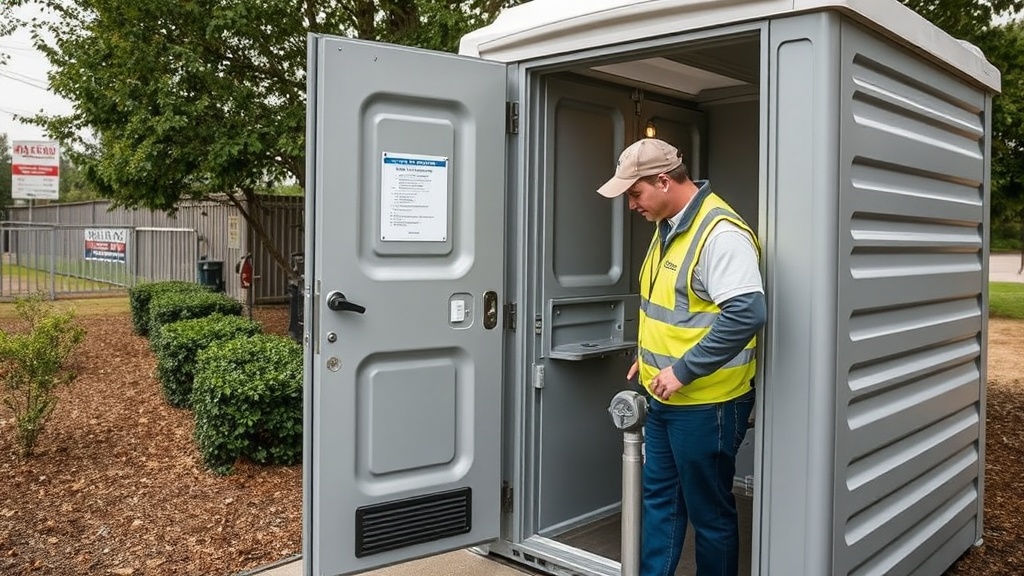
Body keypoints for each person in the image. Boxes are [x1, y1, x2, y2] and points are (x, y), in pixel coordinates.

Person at [597, 138, 766, 576]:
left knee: (709, 515)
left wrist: (684, 370)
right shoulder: (667, 226)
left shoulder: (721, 234)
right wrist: (646, 357)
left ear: (664, 180)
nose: (631, 204)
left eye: (635, 194)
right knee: (660, 503)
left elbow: (746, 313)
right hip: (665, 397)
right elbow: (671, 308)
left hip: (708, 403)